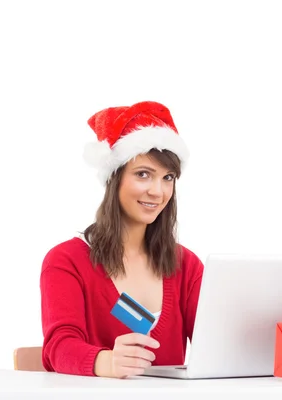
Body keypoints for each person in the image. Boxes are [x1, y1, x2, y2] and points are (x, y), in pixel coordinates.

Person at [39, 101, 204, 379]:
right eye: (143, 174)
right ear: (114, 179)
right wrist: (105, 362)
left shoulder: (186, 264)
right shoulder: (66, 260)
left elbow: (217, 343)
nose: (157, 191)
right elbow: (58, 347)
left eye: (168, 177)